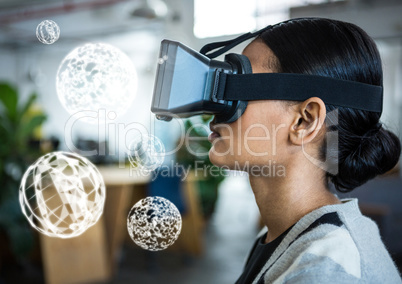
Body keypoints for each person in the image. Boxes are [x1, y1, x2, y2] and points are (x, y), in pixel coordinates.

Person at [207, 18, 402, 283]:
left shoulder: (325, 270)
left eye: (237, 90)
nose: (218, 109)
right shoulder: (287, 236)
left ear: (305, 121)